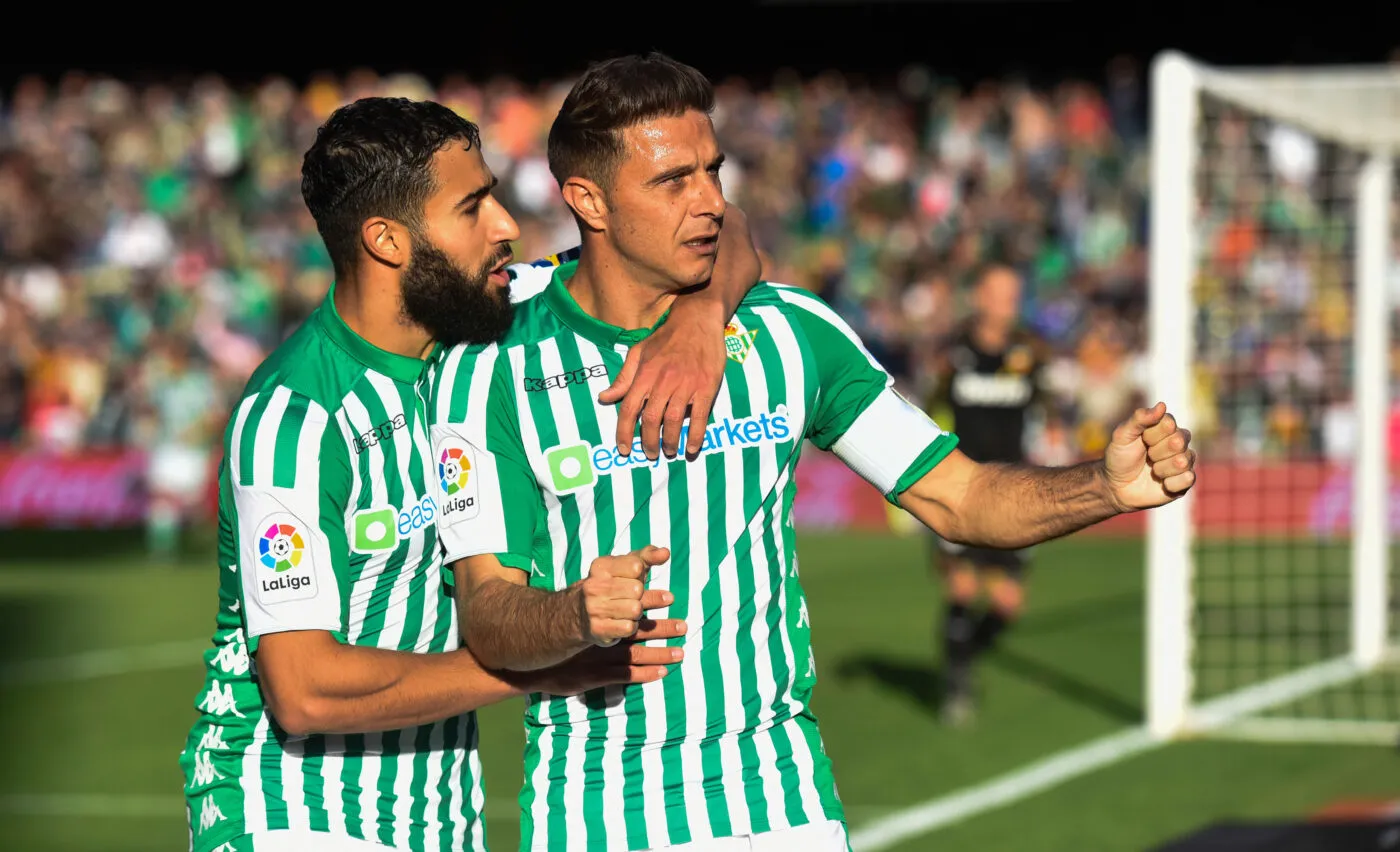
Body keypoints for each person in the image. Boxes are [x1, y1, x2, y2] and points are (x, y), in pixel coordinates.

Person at [429, 53, 1196, 852]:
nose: (710, 204)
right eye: (671, 182)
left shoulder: (790, 333)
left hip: (783, 802)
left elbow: (959, 497)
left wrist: (1104, 488)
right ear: (586, 200)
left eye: (712, 172)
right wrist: (572, 614)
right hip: (600, 812)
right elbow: (489, 616)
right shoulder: (494, 364)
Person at [179, 96, 759, 852]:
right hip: (289, 810)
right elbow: (303, 689)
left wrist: (700, 315)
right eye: (472, 206)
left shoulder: (498, 308)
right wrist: (545, 666)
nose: (508, 227)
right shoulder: (294, 416)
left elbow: (732, 233)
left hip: (438, 818)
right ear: (388, 242)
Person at [923, 263, 1052, 725]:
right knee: (962, 584)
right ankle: (956, 685)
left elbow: (1047, 408)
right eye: (999, 293)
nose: (1007, 302)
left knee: (1007, 604)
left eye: (1014, 293)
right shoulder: (953, 355)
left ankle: (960, 655)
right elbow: (924, 405)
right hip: (959, 488)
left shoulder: (1030, 354)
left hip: (1013, 490)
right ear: (979, 296)